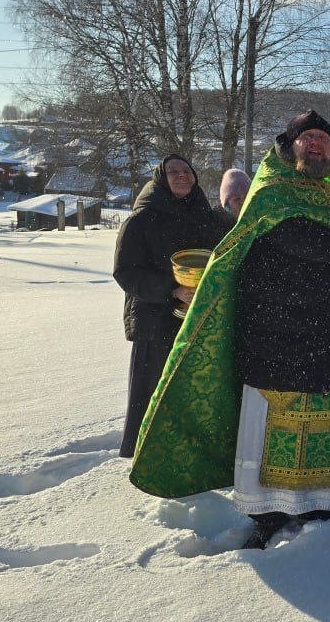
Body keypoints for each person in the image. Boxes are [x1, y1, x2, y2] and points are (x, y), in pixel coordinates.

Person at [129, 110, 330, 551]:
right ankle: (268, 511)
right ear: (290, 144)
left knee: (322, 419)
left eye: (323, 138)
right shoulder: (271, 187)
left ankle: (322, 502)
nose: (316, 144)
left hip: (328, 336)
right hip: (276, 335)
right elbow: (290, 234)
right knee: (273, 423)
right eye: (307, 137)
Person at [112, 154, 228, 459]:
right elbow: (126, 273)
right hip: (155, 323)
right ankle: (148, 458)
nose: (182, 175)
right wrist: (172, 290)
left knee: (194, 391)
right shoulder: (141, 221)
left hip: (199, 319)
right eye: (173, 171)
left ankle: (191, 457)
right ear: (160, 179)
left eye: (187, 170)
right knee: (155, 394)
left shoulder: (206, 218)